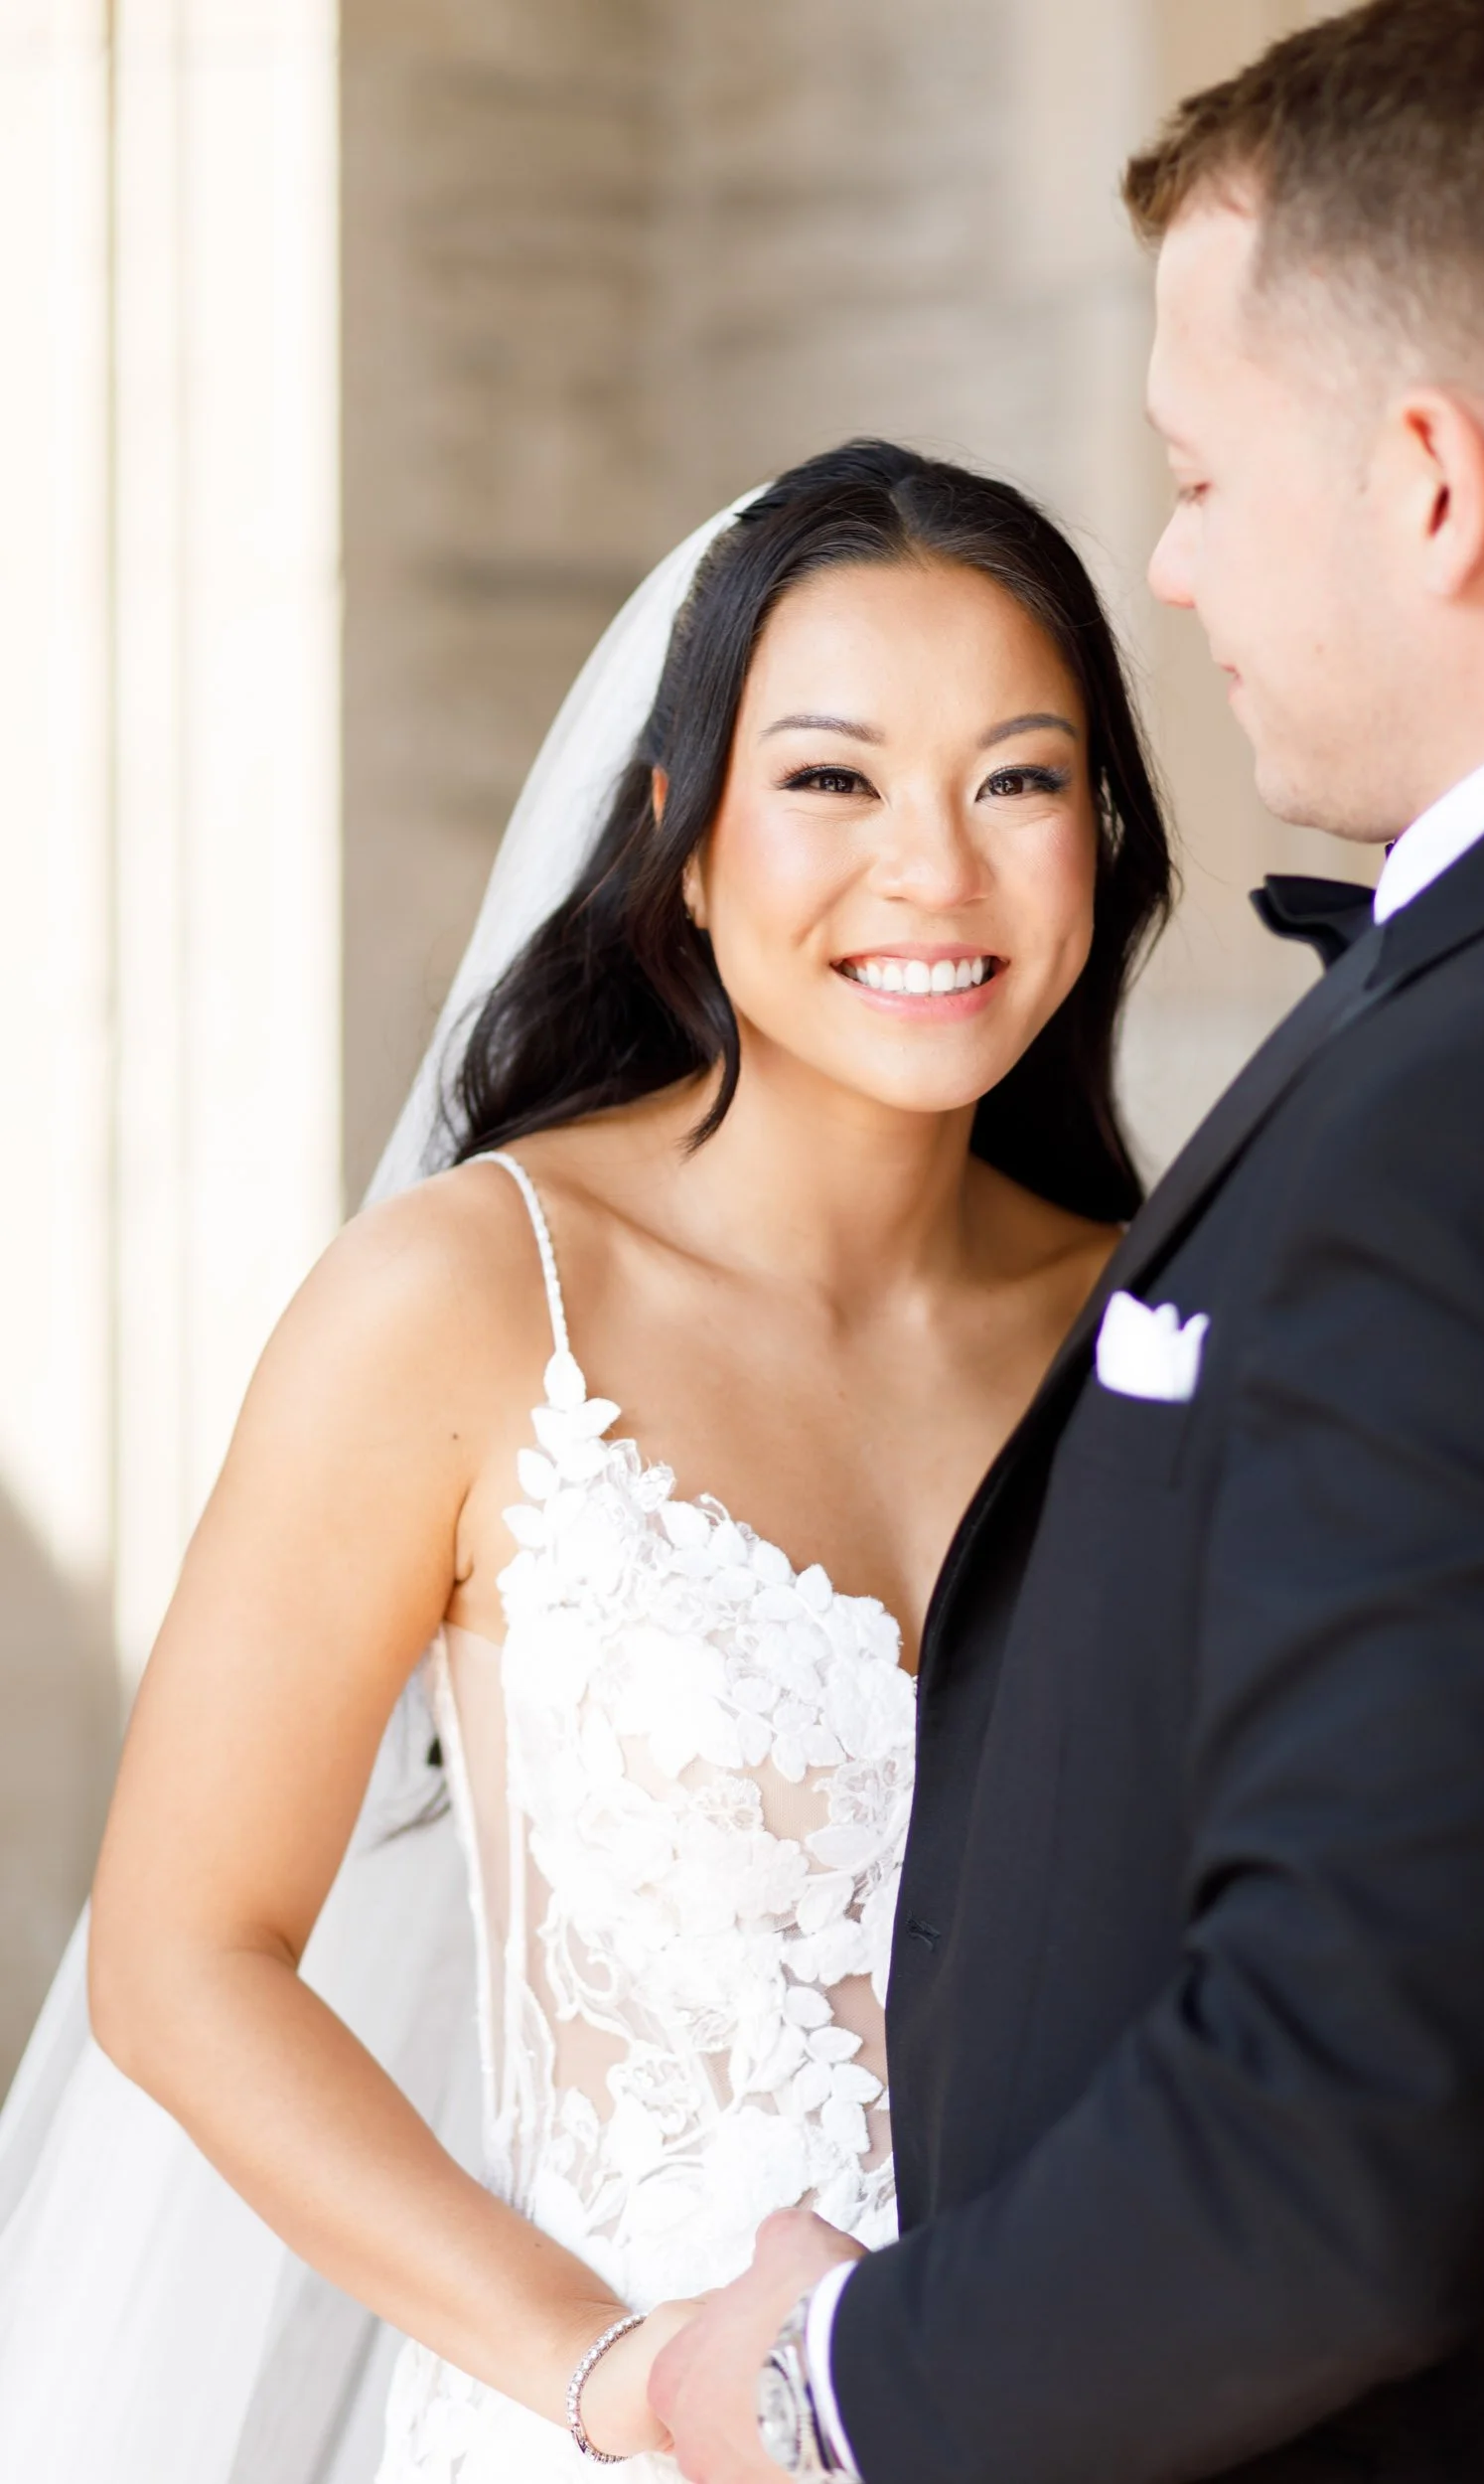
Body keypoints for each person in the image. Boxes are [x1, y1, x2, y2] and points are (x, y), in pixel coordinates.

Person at [0, 440, 1171, 2479]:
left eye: (1017, 777)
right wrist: (622, 2371)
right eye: (831, 777)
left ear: (1105, 830)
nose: (934, 868)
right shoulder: (464, 1302)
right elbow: (184, 1957)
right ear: (682, 838)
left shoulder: (1168, 1329)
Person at [654, 4, 1484, 2479]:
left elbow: (1339, 2123)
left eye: (1196, 473)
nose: (1166, 564)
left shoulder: (1481, 1095)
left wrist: (819, 2384)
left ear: (1426, 485)